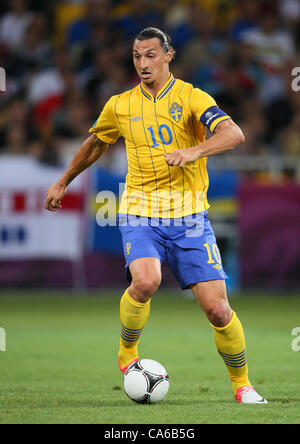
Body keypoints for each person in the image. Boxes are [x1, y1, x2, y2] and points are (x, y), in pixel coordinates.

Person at [45, 27, 267, 404]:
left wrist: (194, 151)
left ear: (168, 56)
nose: (143, 63)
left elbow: (234, 134)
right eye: (136, 56)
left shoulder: (192, 97)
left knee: (218, 309)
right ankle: (127, 352)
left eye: (150, 55)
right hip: (139, 211)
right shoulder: (120, 104)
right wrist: (64, 180)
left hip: (190, 217)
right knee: (146, 281)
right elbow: (97, 141)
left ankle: (242, 386)